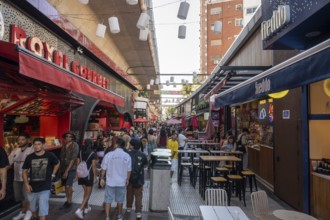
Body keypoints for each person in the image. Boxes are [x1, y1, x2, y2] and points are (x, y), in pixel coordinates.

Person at [22, 138, 60, 220]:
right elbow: (24, 171)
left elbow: (57, 163)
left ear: (43, 145)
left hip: (45, 186)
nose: (36, 146)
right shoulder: (29, 157)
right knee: (33, 209)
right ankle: (34, 214)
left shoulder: (49, 155)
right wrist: (26, 185)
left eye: (38, 144)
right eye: (34, 144)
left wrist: (53, 174)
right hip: (32, 186)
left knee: (43, 209)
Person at [100, 138, 131, 220]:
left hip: (110, 182)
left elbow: (103, 168)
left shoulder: (109, 155)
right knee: (120, 200)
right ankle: (119, 216)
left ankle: (107, 217)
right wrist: (127, 179)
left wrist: (102, 178)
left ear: (116, 145)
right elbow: (129, 170)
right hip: (121, 182)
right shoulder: (127, 156)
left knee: (108, 200)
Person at [8, 133, 34, 220]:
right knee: (20, 197)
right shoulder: (15, 150)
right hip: (17, 177)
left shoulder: (32, 149)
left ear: (27, 140)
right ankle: (22, 212)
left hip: (28, 178)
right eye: (19, 139)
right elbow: (9, 163)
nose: (20, 141)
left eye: (22, 139)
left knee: (28, 196)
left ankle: (29, 212)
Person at [75, 139, 97, 219]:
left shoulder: (80, 152)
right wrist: (95, 177)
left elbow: (77, 164)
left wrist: (77, 175)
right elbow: (94, 167)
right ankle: (80, 209)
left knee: (85, 192)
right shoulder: (93, 154)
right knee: (88, 194)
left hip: (81, 175)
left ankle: (87, 207)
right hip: (88, 176)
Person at [126, 139, 148, 219]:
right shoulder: (143, 155)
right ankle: (138, 212)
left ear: (132, 145)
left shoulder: (127, 154)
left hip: (129, 177)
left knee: (129, 193)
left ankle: (128, 208)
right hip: (139, 178)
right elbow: (145, 164)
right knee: (138, 196)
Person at [59, 131, 79, 210]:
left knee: (68, 185)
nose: (68, 137)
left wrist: (67, 171)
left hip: (71, 168)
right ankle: (67, 201)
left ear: (73, 138)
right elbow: (61, 158)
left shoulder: (75, 145)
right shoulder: (64, 145)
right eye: (67, 136)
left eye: (70, 136)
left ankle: (69, 202)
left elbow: (73, 159)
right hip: (63, 167)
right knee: (66, 187)